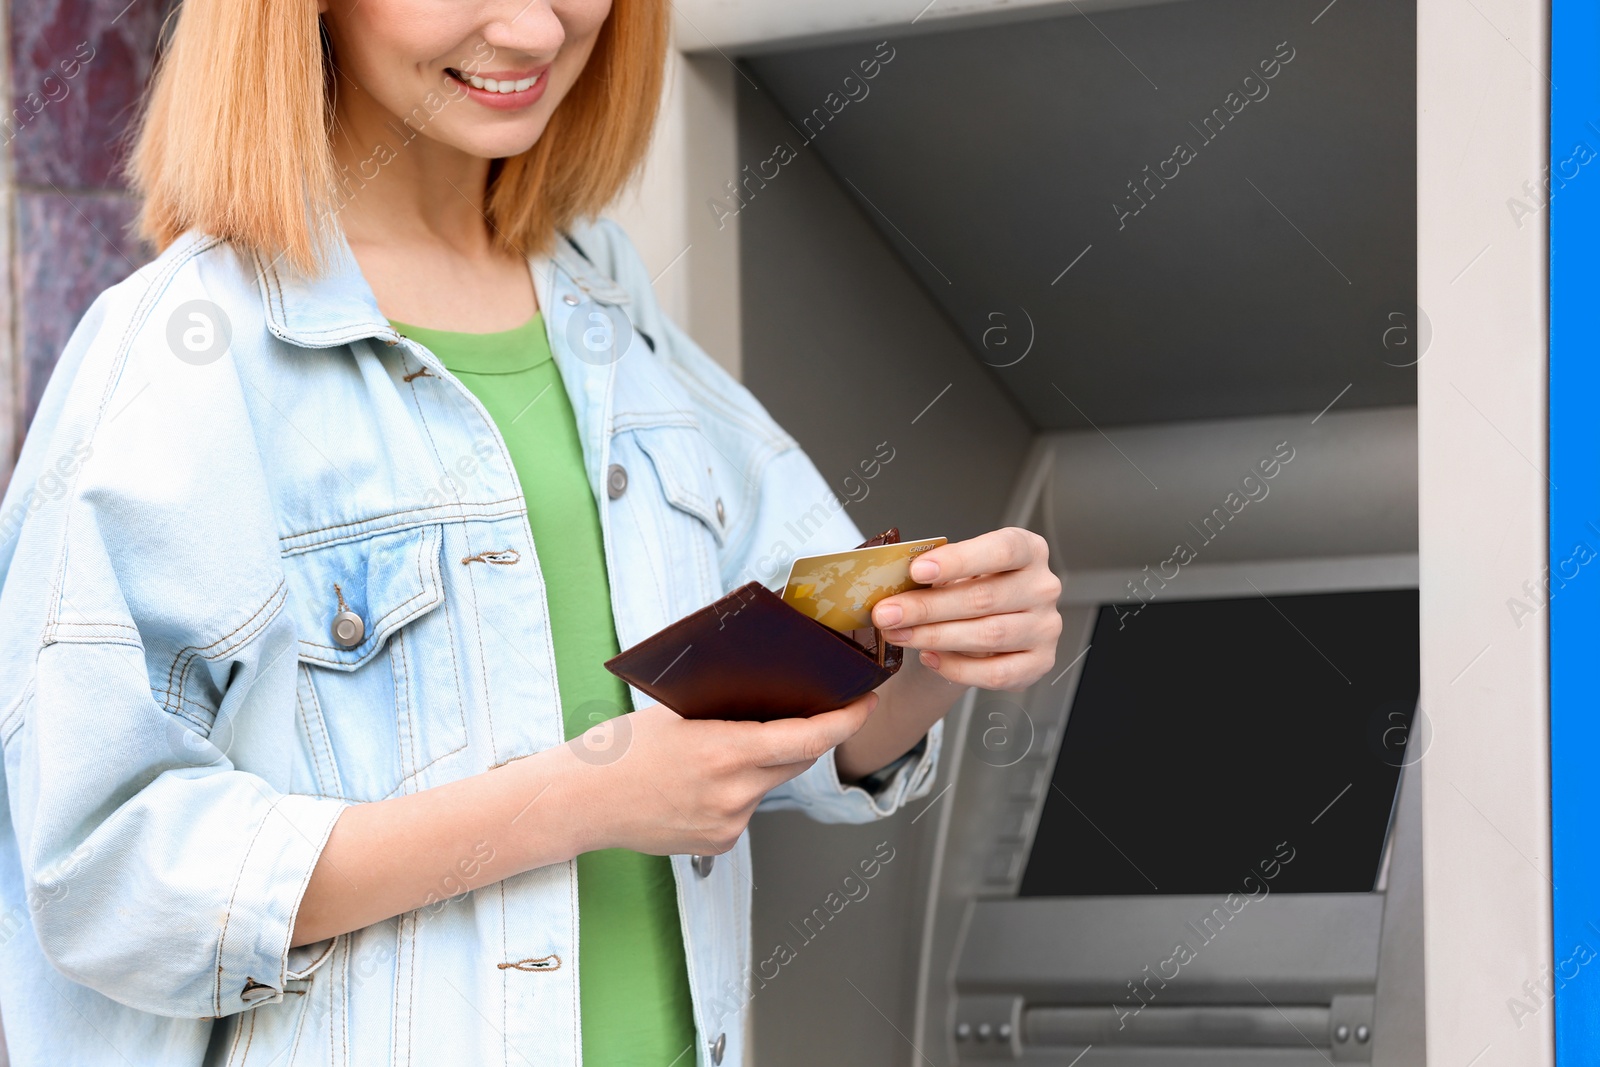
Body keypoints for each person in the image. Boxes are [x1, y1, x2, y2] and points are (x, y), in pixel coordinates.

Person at [0, 1, 1063, 1063]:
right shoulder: (182, 353)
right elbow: (102, 878)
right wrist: (579, 797)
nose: (534, 28)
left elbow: (759, 726)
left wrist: (928, 656)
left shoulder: (609, 310)